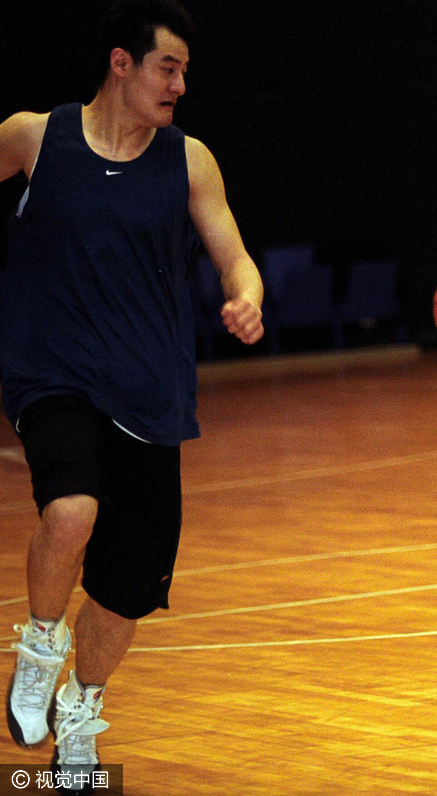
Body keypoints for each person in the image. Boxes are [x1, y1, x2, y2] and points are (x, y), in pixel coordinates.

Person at [0, 1, 264, 790]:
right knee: (70, 508)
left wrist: (245, 295)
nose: (179, 84)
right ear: (123, 63)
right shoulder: (34, 136)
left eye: (183, 71)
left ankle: (78, 723)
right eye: (168, 67)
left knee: (122, 594)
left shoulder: (190, 161)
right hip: (51, 373)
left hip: (149, 393)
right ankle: (39, 650)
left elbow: (233, 254)